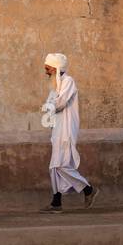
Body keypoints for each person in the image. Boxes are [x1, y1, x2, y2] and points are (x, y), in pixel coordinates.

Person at [39, 53, 99, 213]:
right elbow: (50, 108)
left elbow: (59, 103)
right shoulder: (54, 85)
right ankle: (56, 202)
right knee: (54, 167)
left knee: (61, 165)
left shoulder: (68, 82)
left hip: (66, 129)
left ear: (56, 68)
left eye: (48, 67)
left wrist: (49, 105)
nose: (45, 70)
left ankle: (88, 189)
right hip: (57, 130)